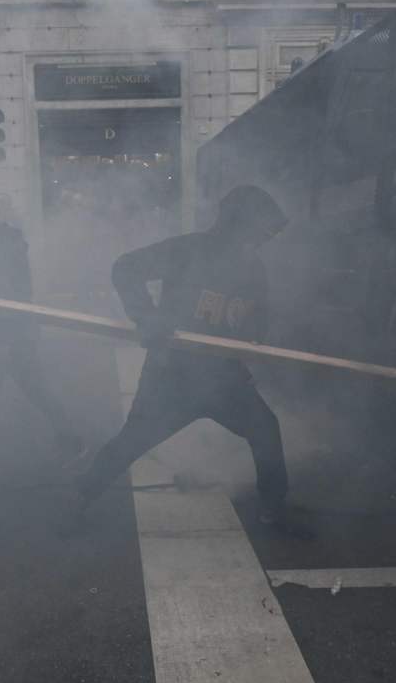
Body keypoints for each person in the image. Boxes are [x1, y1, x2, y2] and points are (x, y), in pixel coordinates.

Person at [72, 185, 304, 532]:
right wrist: (147, 316)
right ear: (237, 223)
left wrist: (254, 341)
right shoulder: (189, 249)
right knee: (132, 440)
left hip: (224, 379)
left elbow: (257, 320)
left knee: (266, 430)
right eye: (258, 231)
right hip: (172, 376)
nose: (262, 240)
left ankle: (274, 507)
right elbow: (126, 268)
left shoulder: (253, 268)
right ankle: (80, 498)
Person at [0, 195, 86, 465]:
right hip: (16, 331)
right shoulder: (5, 241)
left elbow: (1, 293)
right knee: (33, 388)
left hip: (5, 333)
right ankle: (70, 440)